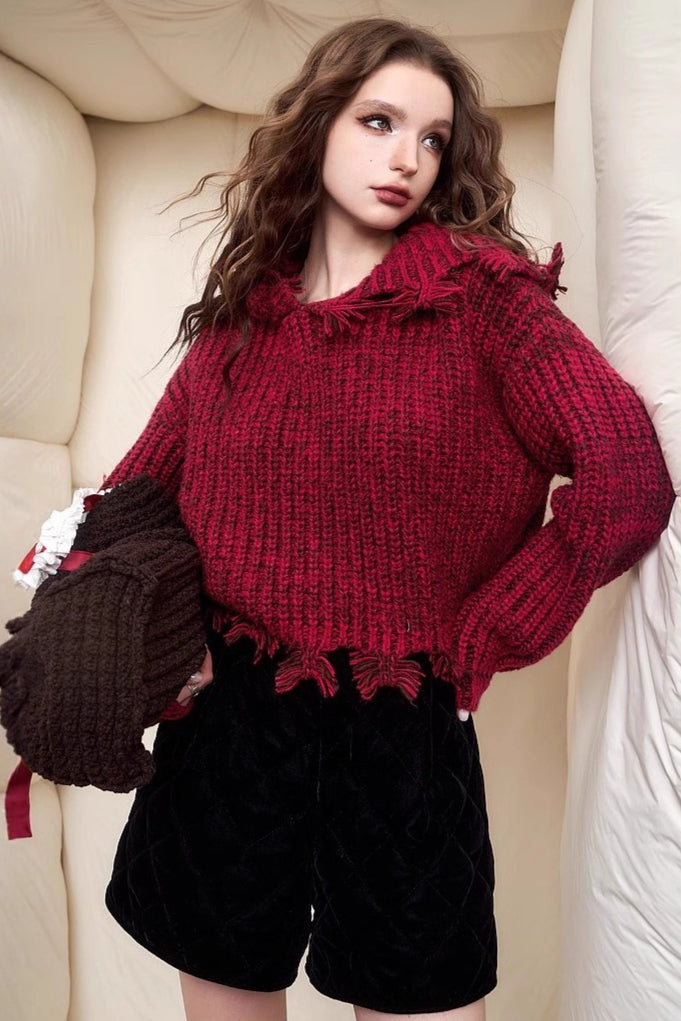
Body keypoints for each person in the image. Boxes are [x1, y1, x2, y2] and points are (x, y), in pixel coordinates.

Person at [100, 16, 674, 1021]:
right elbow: (132, 498)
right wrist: (159, 631)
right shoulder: (244, 321)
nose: (407, 157)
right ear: (318, 125)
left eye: (432, 137)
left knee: (422, 993)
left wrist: (494, 625)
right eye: (378, 121)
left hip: (401, 726)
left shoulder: (485, 304)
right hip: (228, 729)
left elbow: (626, 472)